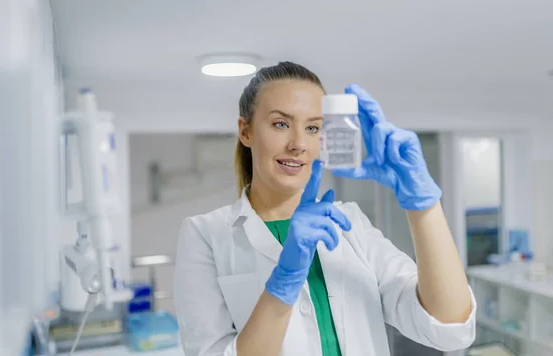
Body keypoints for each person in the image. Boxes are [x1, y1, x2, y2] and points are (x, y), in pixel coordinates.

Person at [173, 62, 476, 356]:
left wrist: (423, 205)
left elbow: (449, 328)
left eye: (313, 127)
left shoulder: (350, 222)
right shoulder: (205, 234)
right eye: (281, 124)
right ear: (246, 131)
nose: (298, 144)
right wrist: (283, 281)